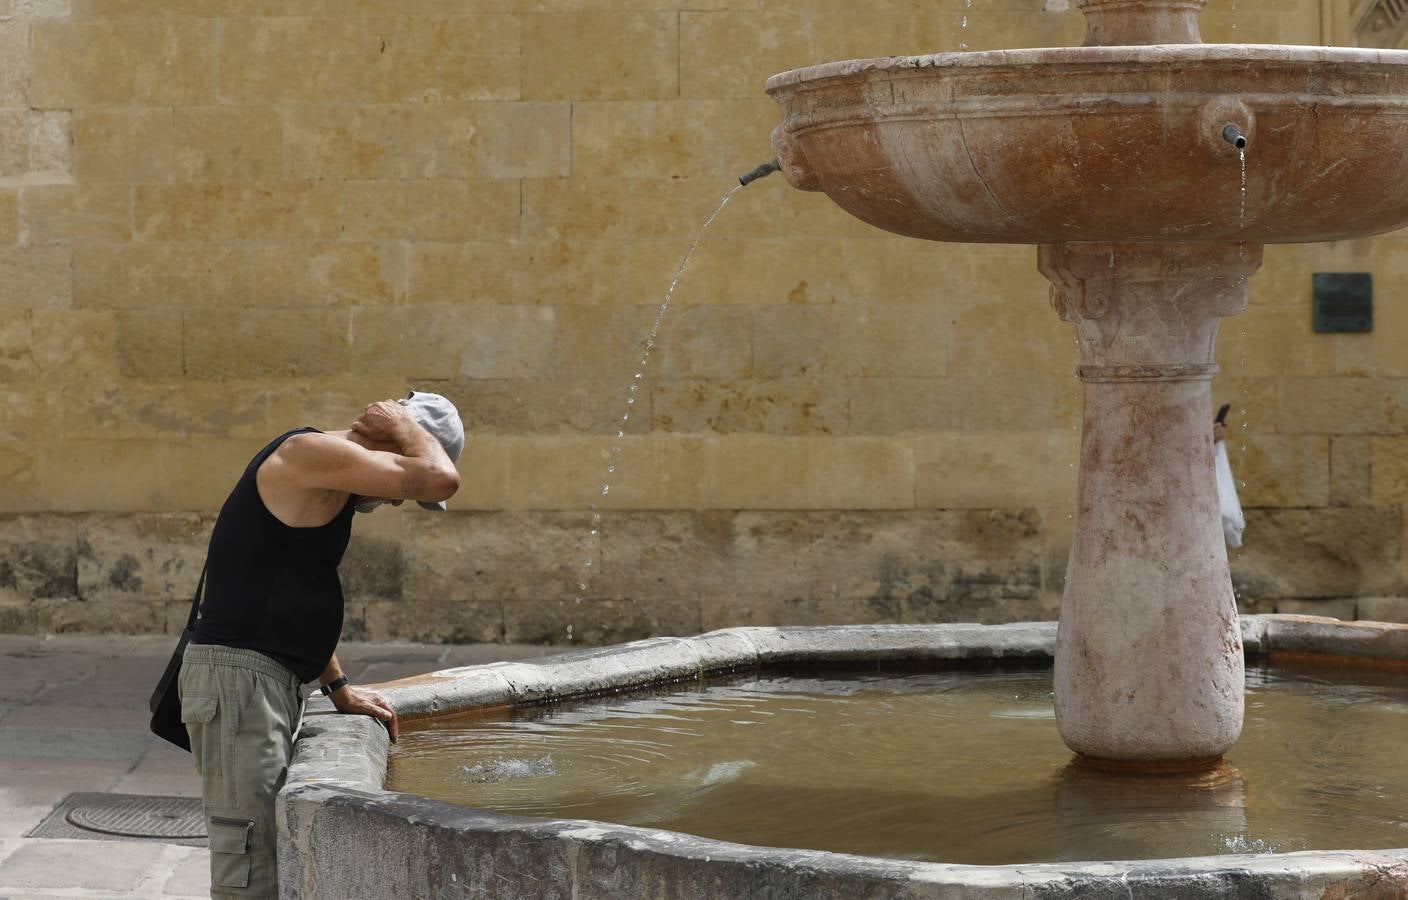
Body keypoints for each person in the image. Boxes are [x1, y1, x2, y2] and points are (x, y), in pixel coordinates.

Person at [178, 391, 463, 899]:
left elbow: (290, 588)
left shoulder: (330, 481)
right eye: (400, 469)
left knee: (270, 854)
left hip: (261, 678)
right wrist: (407, 427)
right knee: (252, 865)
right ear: (386, 438)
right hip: (239, 680)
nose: (397, 498)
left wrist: (338, 686)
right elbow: (442, 478)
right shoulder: (309, 453)